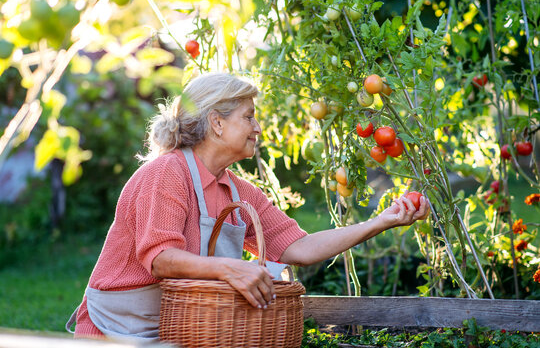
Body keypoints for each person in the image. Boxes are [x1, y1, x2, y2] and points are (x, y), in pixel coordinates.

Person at [66, 73, 429, 342]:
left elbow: (298, 248)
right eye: (249, 116)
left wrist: (380, 222)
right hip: (116, 330)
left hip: (178, 326)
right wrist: (229, 269)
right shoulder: (165, 174)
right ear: (217, 122)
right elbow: (160, 258)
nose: (257, 128)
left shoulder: (238, 190)